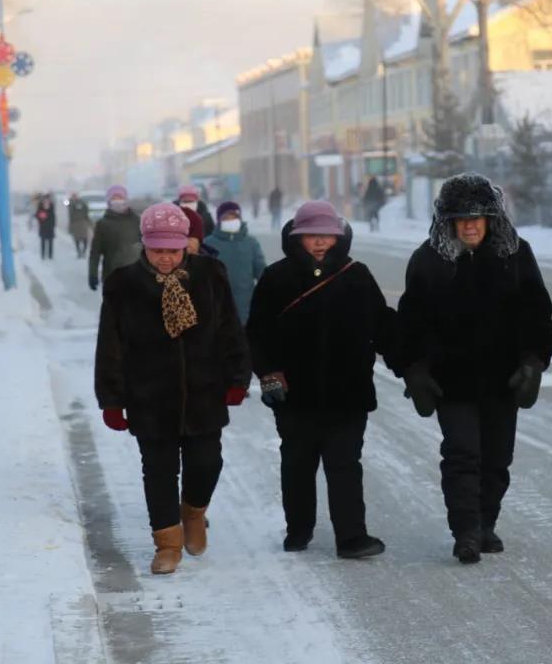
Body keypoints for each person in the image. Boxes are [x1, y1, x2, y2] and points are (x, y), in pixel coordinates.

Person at [397, 173, 552, 564]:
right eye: (460, 218)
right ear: (447, 221)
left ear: (491, 220)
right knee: (462, 454)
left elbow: (538, 317)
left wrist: (533, 363)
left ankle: (486, 523)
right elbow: (409, 324)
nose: (469, 225)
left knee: (497, 458)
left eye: (477, 217)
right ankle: (465, 531)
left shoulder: (515, 257)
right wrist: (413, 370)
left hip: (502, 380)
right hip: (451, 381)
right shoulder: (428, 261)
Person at [94, 203, 252, 575]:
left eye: (172, 250)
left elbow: (231, 329)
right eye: (157, 250)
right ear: (144, 247)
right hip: (149, 397)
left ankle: (193, 512)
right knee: (159, 471)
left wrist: (238, 378)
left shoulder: (211, 275)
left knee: (206, 462)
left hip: (205, 392)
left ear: (186, 246)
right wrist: (112, 400)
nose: (165, 258)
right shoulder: (124, 284)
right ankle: (167, 543)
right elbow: (109, 345)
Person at [247, 201, 394, 559]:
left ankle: (351, 537)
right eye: (311, 236)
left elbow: (383, 325)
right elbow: (257, 334)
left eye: (326, 236)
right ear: (297, 238)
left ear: (338, 237)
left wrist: (412, 362)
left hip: (348, 393)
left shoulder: (357, 275)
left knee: (345, 465)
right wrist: (268, 376)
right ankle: (298, 530)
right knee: (297, 463)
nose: (319, 243)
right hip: (294, 395)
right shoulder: (276, 277)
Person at [207, 201, 266, 323]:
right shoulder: (208, 244)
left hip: (246, 307)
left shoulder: (251, 243)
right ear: (219, 221)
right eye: (226, 218)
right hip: (216, 307)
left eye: (234, 217)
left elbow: (261, 272)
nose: (231, 220)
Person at [89, 185, 141, 293]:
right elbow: (95, 252)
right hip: (112, 275)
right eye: (114, 199)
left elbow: (148, 248)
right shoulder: (102, 224)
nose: (117, 201)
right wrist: (92, 274)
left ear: (126, 200)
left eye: (120, 198)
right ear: (109, 202)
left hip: (137, 276)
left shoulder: (137, 221)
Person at [68, 192, 93, 258]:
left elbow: (86, 211)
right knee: (77, 239)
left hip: (81, 222)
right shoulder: (70, 203)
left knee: (84, 238)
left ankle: (83, 252)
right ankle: (79, 252)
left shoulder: (81, 202)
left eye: (75, 196)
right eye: (73, 196)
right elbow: (70, 214)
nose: (74, 197)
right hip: (75, 223)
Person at [35, 195, 56, 260]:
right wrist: (41, 216)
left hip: (50, 227)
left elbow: (53, 217)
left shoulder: (51, 207)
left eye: (47, 200)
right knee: (43, 242)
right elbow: (37, 215)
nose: (46, 201)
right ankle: (43, 255)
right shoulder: (40, 207)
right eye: (45, 200)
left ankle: (50, 255)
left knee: (50, 242)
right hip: (43, 227)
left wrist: (53, 225)